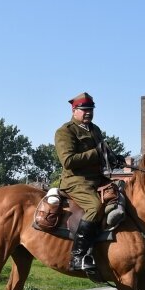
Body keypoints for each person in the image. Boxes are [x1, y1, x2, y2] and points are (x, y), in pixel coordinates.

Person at [54, 92, 116, 274]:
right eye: (84, 109)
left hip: (97, 179)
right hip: (76, 181)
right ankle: (78, 256)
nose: (88, 112)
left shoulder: (95, 129)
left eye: (91, 109)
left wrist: (114, 158)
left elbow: (102, 154)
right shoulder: (65, 131)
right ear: (74, 110)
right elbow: (68, 161)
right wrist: (96, 152)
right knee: (95, 207)